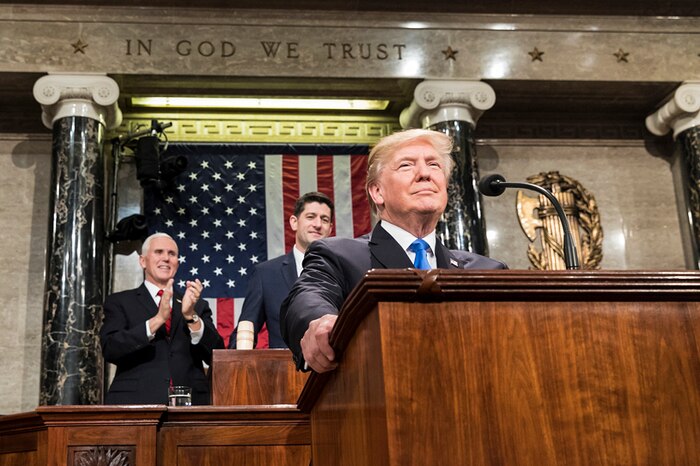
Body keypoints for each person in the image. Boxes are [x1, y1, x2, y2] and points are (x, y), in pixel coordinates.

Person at [280, 128, 507, 373]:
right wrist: (319, 321)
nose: (424, 174)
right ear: (377, 192)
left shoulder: (487, 270)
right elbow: (308, 296)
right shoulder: (338, 255)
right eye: (407, 165)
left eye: (434, 165)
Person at [100, 232, 224, 405]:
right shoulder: (120, 302)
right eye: (159, 252)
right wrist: (157, 320)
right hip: (136, 403)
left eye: (172, 254)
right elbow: (110, 348)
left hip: (191, 404)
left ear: (177, 263)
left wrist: (190, 317)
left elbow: (216, 353)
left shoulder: (197, 305)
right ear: (143, 261)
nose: (166, 258)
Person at [229, 191, 335, 349]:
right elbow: (245, 331)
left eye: (324, 219)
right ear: (294, 222)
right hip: (284, 371)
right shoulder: (266, 274)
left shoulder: (342, 271)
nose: (318, 224)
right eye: (310, 217)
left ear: (330, 228)